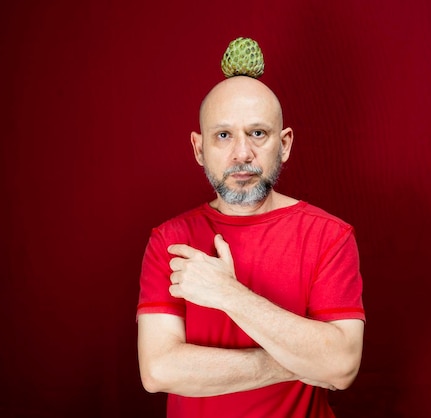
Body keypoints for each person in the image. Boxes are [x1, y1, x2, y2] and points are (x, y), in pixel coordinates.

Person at [137, 75, 365, 418]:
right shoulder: (170, 240)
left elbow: (342, 366)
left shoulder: (329, 236)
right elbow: (158, 371)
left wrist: (227, 293)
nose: (242, 154)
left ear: (284, 143)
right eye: (223, 135)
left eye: (258, 133)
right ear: (199, 148)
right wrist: (297, 364)